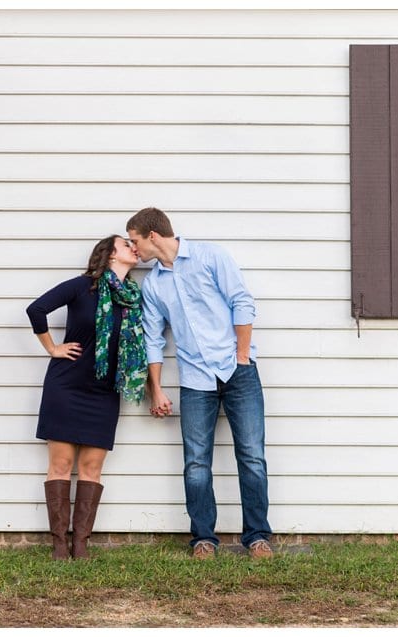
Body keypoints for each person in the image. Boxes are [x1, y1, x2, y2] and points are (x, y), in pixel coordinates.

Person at [125, 207, 274, 560]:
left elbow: (242, 302)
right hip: (195, 380)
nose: (135, 250)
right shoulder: (154, 285)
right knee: (195, 462)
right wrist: (156, 388)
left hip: (239, 372)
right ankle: (203, 539)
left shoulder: (211, 256)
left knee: (252, 456)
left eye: (135, 242)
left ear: (153, 236)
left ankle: (257, 537)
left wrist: (240, 356)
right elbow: (152, 339)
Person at [26, 235, 147, 560]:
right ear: (108, 256)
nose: (133, 248)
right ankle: (59, 545)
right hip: (66, 388)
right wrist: (53, 348)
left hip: (104, 393)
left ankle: (81, 543)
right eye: (126, 244)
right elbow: (36, 309)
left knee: (92, 468)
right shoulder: (82, 287)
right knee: (62, 465)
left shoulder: (133, 298)